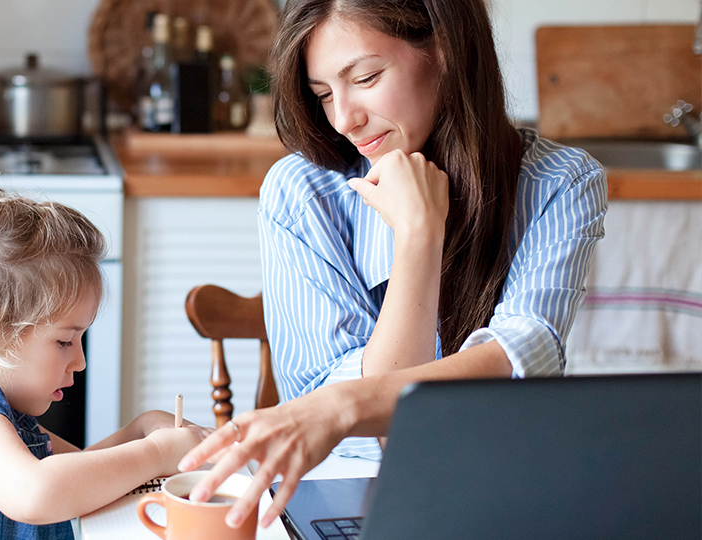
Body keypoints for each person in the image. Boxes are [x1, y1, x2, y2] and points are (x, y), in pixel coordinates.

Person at [177, 0, 607, 530]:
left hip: (496, 487)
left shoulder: (561, 183)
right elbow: (373, 434)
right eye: (324, 95)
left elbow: (517, 357)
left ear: (444, 50)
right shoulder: (301, 192)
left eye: (366, 77)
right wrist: (417, 239)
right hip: (343, 494)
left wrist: (340, 406)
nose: (343, 118)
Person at [0, 191, 210, 539]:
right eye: (63, 341)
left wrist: (141, 429)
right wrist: (156, 453)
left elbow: (81, 476)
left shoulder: (3, 412)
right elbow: (37, 491)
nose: (80, 361)